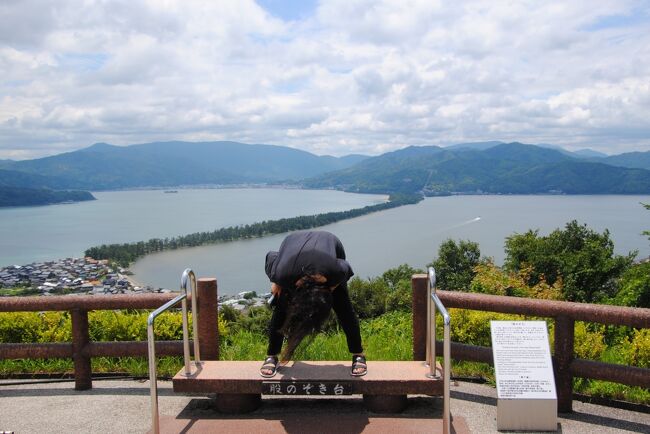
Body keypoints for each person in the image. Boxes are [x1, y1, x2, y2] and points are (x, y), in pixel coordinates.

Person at [260, 230, 367, 378]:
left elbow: (346, 267)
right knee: (280, 309)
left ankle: (358, 354)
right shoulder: (282, 275)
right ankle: (271, 355)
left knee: (345, 310)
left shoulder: (335, 271)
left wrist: (332, 286)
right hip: (293, 244)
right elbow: (271, 256)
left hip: (329, 241)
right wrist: (275, 281)